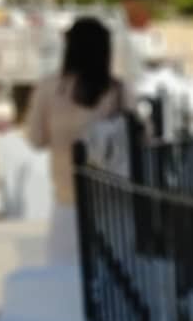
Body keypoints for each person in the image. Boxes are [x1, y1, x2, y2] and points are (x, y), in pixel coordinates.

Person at [23, 16, 128, 263]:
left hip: (68, 199)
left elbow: (35, 139)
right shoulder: (117, 90)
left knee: (63, 273)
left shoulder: (48, 88)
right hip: (112, 200)